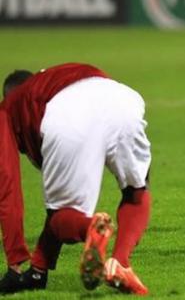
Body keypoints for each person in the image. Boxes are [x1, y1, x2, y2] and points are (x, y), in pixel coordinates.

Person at [0, 63, 151, 294]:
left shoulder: (9, 107)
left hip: (68, 114)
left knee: (63, 214)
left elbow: (7, 184)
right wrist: (38, 268)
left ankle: (91, 227)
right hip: (119, 97)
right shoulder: (57, 75)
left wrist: (15, 260)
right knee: (136, 190)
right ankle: (120, 263)